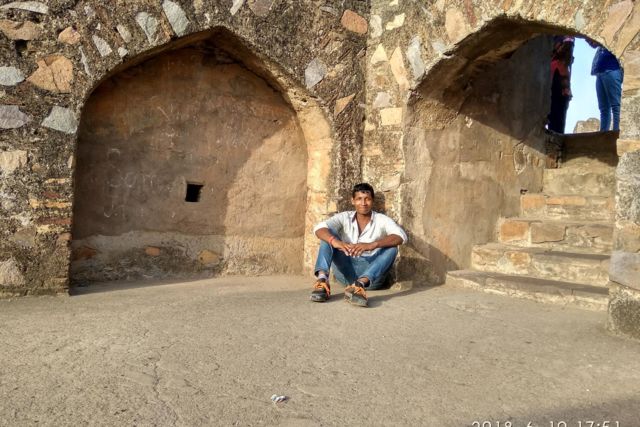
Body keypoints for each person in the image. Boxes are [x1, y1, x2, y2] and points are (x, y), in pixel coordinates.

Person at [309, 183, 407, 307]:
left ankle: (359, 285)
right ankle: (322, 281)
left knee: (392, 248)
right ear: (353, 201)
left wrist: (372, 245)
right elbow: (319, 229)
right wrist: (336, 242)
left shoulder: (382, 219)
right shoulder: (344, 217)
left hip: (370, 277)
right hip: (346, 272)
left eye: (367, 199)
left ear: (372, 201)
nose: (363, 203)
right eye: (359, 199)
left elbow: (401, 236)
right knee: (328, 237)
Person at [588, 40, 623, 131]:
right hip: (599, 74)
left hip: (611, 70)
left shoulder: (611, 41)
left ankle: (616, 132)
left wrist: (596, 42)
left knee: (615, 105)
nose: (589, 43)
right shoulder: (601, 49)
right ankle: (603, 134)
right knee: (603, 108)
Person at [548, 36, 574, 133]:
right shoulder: (554, 62)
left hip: (560, 87)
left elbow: (568, 44)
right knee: (554, 115)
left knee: (558, 116)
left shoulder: (561, 62)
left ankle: (555, 135)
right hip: (555, 87)